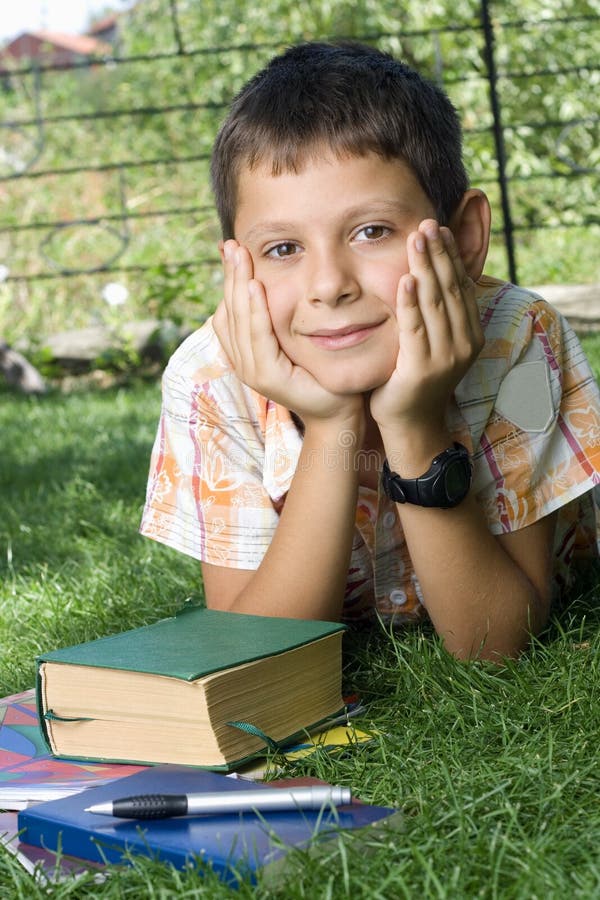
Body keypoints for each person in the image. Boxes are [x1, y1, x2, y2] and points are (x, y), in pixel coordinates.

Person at [140, 41, 600, 661]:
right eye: (283, 249)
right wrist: (332, 428)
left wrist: (413, 425)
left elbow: (495, 645)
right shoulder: (209, 378)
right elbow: (258, 655)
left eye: (372, 231)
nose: (330, 285)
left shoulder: (517, 338)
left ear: (463, 240)